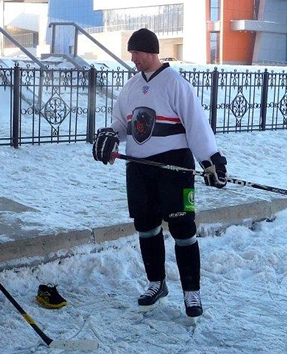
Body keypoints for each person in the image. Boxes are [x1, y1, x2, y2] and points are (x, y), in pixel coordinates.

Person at [92, 28, 228, 318]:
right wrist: (111, 135)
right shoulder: (130, 87)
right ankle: (156, 283)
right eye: (131, 53)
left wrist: (210, 160)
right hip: (140, 169)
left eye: (136, 53)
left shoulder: (176, 84)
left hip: (174, 167)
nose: (133, 58)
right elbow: (121, 122)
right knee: (146, 226)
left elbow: (196, 124)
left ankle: (192, 291)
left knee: (182, 228)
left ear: (151, 52)